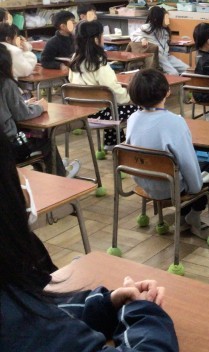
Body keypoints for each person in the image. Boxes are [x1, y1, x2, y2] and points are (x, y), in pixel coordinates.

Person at [0, 131, 179, 350]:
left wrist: (106, 305)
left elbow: (46, 312)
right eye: (14, 168)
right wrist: (145, 312)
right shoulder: (19, 322)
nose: (23, 178)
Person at [126, 68, 209, 238]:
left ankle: (183, 215)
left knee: (183, 167)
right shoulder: (175, 122)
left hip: (144, 183)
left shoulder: (132, 119)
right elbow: (188, 163)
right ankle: (193, 214)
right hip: (170, 188)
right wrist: (196, 189)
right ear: (167, 92)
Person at [68, 20, 138, 150]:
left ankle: (111, 143)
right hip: (100, 115)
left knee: (110, 105)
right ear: (96, 39)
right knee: (140, 107)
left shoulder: (74, 59)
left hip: (81, 113)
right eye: (102, 35)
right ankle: (132, 147)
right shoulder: (99, 62)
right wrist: (131, 97)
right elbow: (114, 92)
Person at [0, 43, 68, 177]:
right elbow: (21, 114)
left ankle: (46, 174)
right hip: (9, 147)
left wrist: (25, 104)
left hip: (5, 147)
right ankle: (60, 177)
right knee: (45, 140)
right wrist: (40, 107)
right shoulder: (6, 83)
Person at [131, 6, 188, 76]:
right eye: (166, 19)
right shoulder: (146, 27)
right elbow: (133, 35)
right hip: (158, 57)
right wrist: (142, 39)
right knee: (174, 73)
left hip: (166, 56)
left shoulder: (164, 30)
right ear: (158, 19)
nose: (168, 21)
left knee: (187, 69)